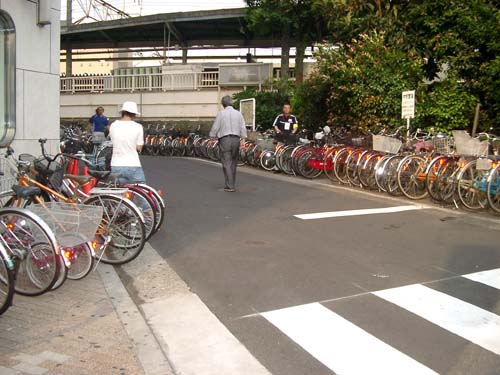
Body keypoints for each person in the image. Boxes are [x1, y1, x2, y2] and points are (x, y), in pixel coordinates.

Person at [209, 95, 247, 192]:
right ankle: (232, 183)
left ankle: (230, 186)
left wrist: (212, 136)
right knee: (234, 162)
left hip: (225, 139)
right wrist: (243, 139)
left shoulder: (221, 114)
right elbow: (243, 127)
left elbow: (216, 126)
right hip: (236, 139)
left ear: (223, 104)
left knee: (227, 162)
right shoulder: (238, 114)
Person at [109, 101, 145, 184]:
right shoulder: (138, 127)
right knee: (142, 191)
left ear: (123, 112)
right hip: (133, 164)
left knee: (118, 192)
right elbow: (139, 147)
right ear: (133, 114)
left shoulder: (113, 125)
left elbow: (113, 141)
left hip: (116, 164)